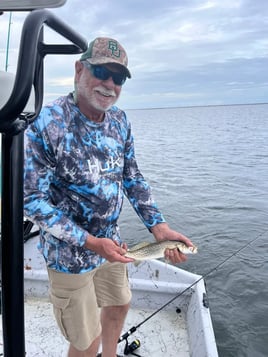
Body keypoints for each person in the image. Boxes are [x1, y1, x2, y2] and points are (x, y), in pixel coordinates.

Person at [24, 37, 194, 357]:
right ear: (79, 70)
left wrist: (159, 228)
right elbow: (31, 199)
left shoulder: (120, 120)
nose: (109, 84)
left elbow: (132, 177)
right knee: (85, 339)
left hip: (111, 245)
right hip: (69, 256)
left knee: (119, 303)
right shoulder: (48, 122)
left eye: (118, 78)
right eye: (101, 71)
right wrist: (90, 242)